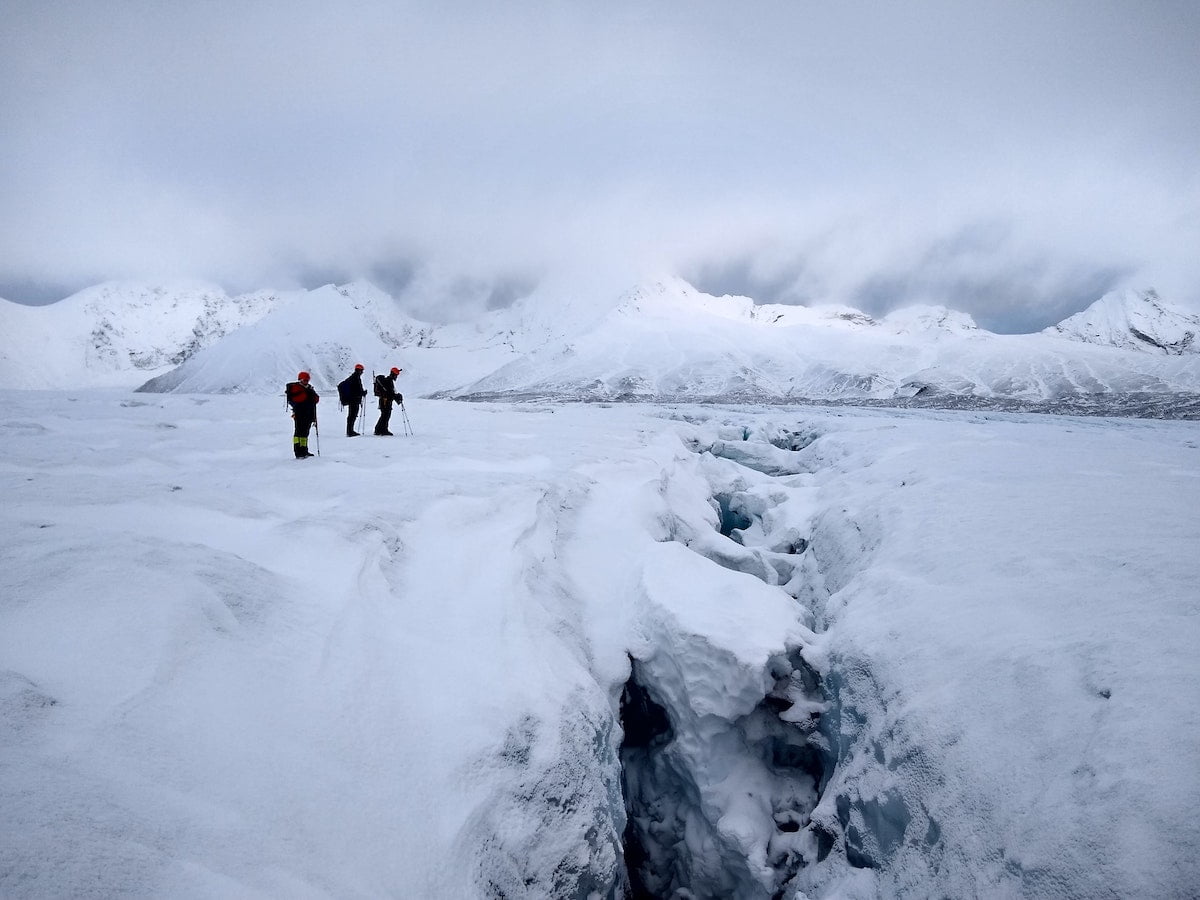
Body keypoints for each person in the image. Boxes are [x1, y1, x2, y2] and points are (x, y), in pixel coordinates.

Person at [285, 371, 320, 458]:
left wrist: (311, 393)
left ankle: (304, 450)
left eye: (307, 380)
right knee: (299, 433)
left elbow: (316, 399)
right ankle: (298, 451)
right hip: (299, 414)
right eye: (305, 380)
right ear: (300, 380)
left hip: (309, 414)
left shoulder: (309, 389)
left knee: (305, 433)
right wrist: (308, 393)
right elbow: (299, 399)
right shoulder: (296, 388)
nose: (306, 381)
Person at [338, 363, 367, 436]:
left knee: (351, 415)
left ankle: (350, 430)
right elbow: (357, 390)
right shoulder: (356, 378)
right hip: (354, 400)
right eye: (362, 371)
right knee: (352, 415)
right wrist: (363, 393)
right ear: (359, 370)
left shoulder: (352, 378)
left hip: (352, 399)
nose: (362, 372)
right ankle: (350, 431)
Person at [373, 366, 403, 436]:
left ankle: (378, 430)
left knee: (384, 415)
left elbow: (390, 392)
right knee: (386, 415)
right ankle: (383, 430)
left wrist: (396, 396)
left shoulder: (388, 380)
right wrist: (397, 396)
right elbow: (390, 393)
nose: (397, 376)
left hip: (384, 401)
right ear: (393, 374)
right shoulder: (389, 381)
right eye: (396, 375)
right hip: (385, 401)